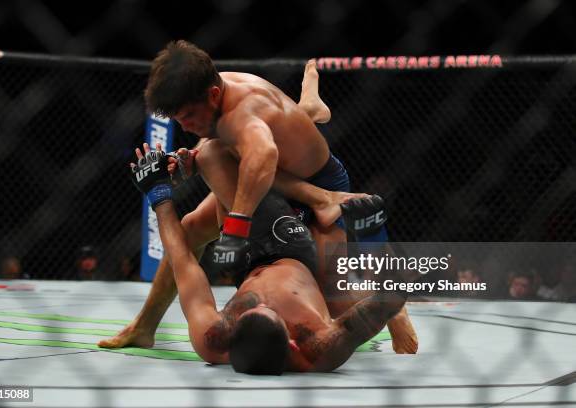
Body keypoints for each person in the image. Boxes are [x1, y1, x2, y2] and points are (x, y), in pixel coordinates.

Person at [98, 55, 417, 354]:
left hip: (316, 180)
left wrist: (236, 230)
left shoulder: (243, 111)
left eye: (189, 117)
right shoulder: (211, 89)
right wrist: (190, 157)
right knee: (193, 223)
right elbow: (216, 136)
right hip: (270, 172)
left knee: (337, 302)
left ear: (211, 95)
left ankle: (394, 304)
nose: (185, 126)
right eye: (180, 120)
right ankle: (144, 326)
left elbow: (263, 158)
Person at [123, 147, 407, 374]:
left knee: (215, 155)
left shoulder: (213, 338)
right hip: (298, 255)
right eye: (271, 310)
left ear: (231, 338)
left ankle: (305, 121)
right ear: (294, 346)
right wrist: (373, 235)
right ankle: (321, 192)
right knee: (344, 298)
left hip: (252, 254)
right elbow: (393, 296)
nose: (263, 300)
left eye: (252, 306)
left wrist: (158, 194)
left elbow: (182, 259)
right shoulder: (322, 346)